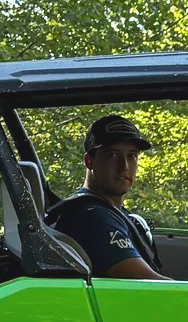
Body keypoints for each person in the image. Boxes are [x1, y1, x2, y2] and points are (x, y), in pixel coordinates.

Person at [45, 113, 167, 279]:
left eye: (132, 155)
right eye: (113, 155)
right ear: (89, 161)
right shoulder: (92, 217)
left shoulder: (111, 212)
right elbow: (148, 284)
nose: (124, 166)